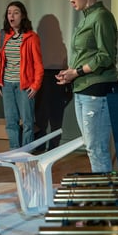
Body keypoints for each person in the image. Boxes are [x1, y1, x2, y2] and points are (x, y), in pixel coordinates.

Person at [56, 0, 118, 173]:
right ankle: (104, 196)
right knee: (92, 149)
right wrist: (71, 73)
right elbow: (87, 55)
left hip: (97, 91)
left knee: (97, 149)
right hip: (82, 89)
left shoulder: (101, 17)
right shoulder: (86, 18)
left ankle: (107, 201)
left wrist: (78, 72)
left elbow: (106, 56)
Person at [0, 1, 44, 149]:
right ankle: (14, 151)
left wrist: (36, 85)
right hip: (7, 85)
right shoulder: (2, 35)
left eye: (15, 12)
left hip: (25, 85)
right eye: (9, 13)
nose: (12, 16)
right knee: (11, 121)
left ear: (22, 16)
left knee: (28, 122)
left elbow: (38, 64)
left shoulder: (31, 37)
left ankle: (26, 153)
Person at [35, 14, 72, 151]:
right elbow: (64, 65)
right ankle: (52, 151)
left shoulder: (38, 42)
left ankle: (39, 151)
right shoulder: (60, 45)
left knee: (41, 120)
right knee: (55, 121)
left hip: (45, 81)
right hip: (56, 81)